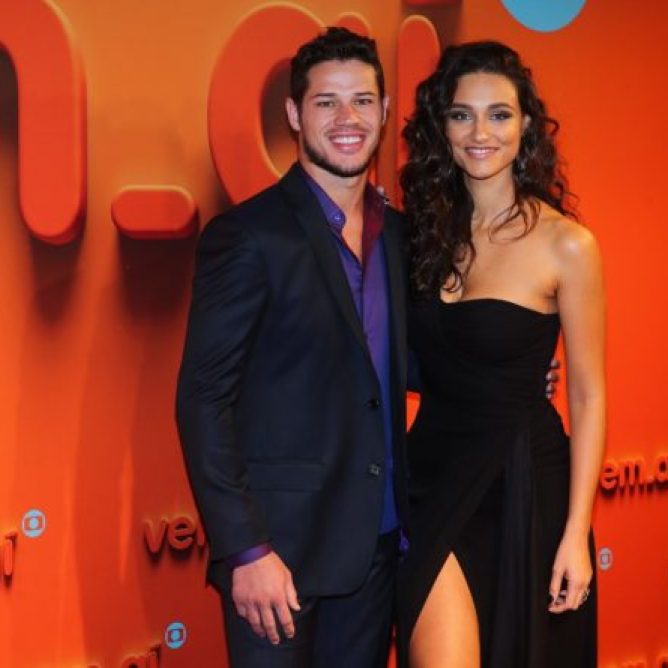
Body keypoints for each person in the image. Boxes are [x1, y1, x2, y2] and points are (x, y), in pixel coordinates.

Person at [175, 27, 409, 668]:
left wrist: (508, 372)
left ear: (385, 111)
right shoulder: (249, 236)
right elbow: (202, 401)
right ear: (294, 114)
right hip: (280, 560)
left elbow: (393, 363)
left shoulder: (396, 234)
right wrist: (246, 550)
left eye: (362, 101)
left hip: (376, 548)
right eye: (326, 102)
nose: (347, 119)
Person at [397, 41, 605, 668]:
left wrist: (575, 534)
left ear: (526, 126)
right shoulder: (419, 236)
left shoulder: (567, 245)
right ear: (442, 128)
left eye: (499, 114)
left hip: (522, 484)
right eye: (462, 115)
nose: (480, 133)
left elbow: (588, 395)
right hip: (432, 479)